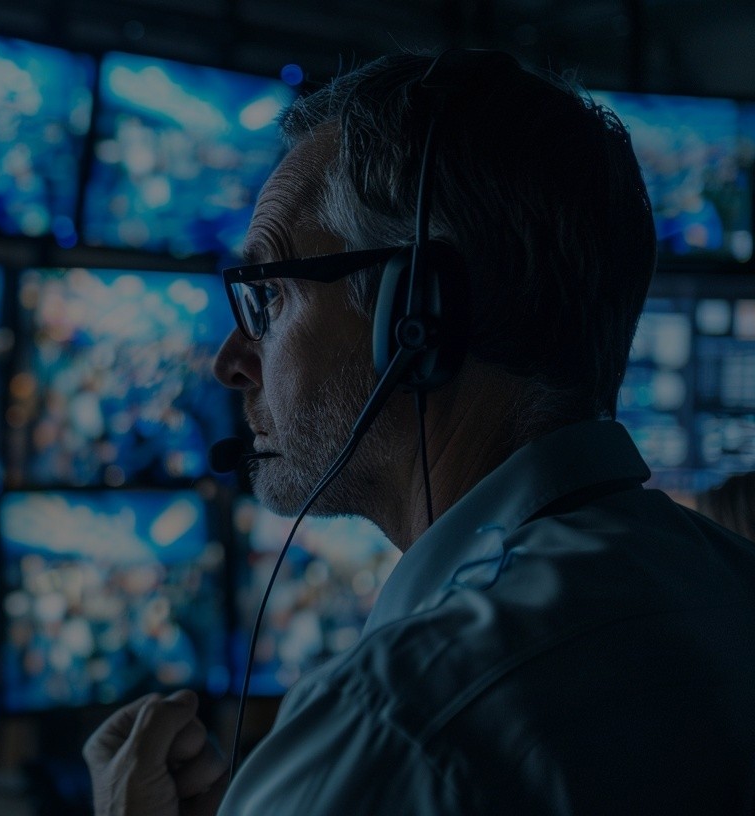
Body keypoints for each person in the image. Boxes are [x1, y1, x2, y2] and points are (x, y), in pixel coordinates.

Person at [84, 51, 755, 814]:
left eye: (270, 298)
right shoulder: (732, 584)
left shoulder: (391, 730)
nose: (231, 362)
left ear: (416, 318)